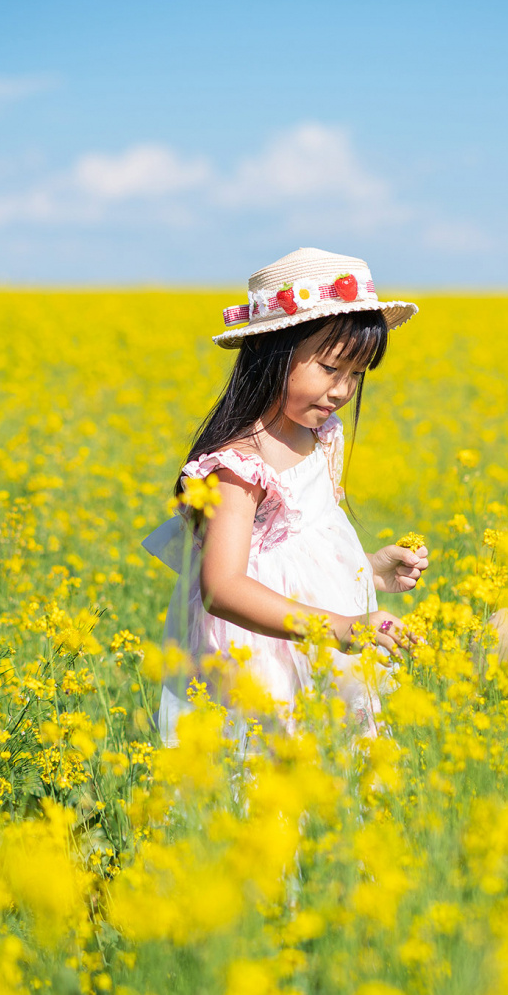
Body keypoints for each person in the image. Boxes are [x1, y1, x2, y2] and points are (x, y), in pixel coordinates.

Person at [144, 247, 429, 744]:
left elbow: (298, 551)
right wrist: (337, 626)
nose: (342, 390)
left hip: (324, 646)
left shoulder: (322, 437)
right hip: (259, 657)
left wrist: (371, 568)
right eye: (328, 367)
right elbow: (223, 586)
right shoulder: (240, 465)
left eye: (356, 374)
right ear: (273, 353)